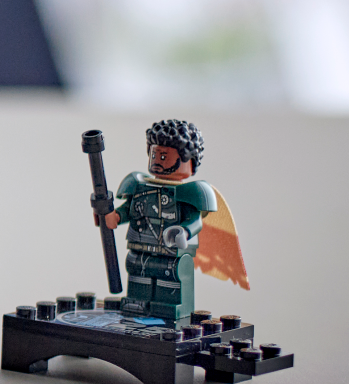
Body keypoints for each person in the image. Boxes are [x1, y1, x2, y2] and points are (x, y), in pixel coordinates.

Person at [103, 119, 244, 324]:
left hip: (171, 254)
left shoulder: (191, 192)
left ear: (189, 160)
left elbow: (195, 221)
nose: (157, 161)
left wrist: (183, 232)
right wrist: (115, 216)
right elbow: (129, 209)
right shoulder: (138, 184)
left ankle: (168, 307)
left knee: (169, 278)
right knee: (136, 270)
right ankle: (137, 302)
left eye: (163, 156)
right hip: (140, 247)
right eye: (154, 155)